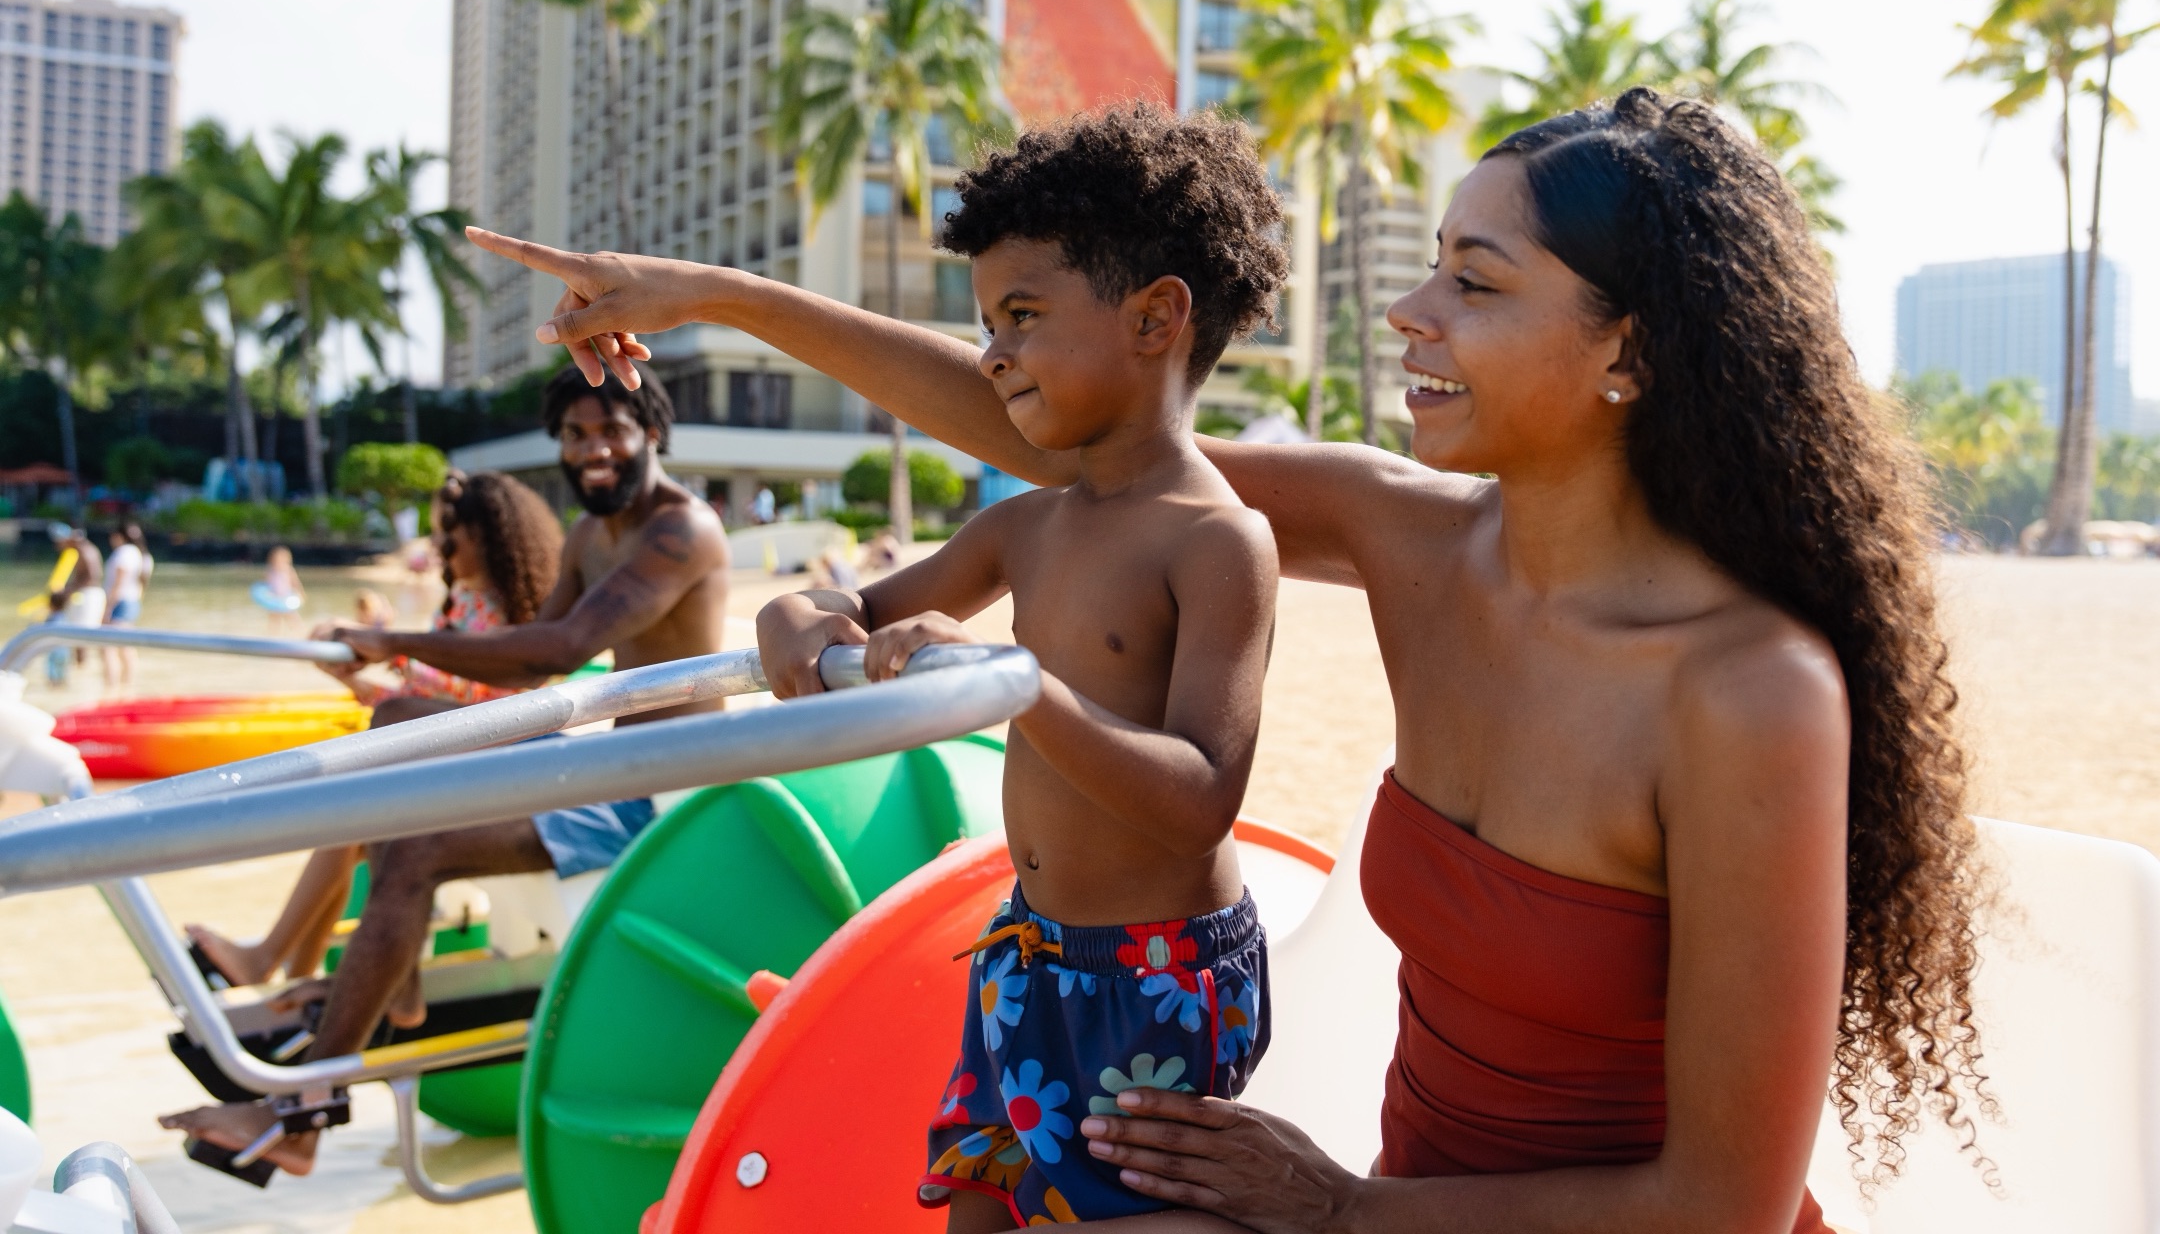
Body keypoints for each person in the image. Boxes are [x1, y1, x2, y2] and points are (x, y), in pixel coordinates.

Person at [469, 87, 1992, 1230]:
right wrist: (709, 298)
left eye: (1475, 281)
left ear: (1630, 355)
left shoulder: (1749, 692)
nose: (1410, 309)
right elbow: (1067, 424)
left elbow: (1713, 1208)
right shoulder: (1416, 538)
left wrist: (1336, 1209)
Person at [752, 104, 1282, 1229]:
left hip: (1156, 978)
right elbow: (856, 605)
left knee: (1125, 1215)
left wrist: (1022, 684)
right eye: (988, 322)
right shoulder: (1027, 528)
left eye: (1023, 317)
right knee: (979, 1211)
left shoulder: (1217, 540)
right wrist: (796, 613)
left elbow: (1201, 800)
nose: (992, 354)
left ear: (1156, 318)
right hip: (1027, 951)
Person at [161, 368, 732, 1178]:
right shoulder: (587, 535)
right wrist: (389, 683)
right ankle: (396, 963)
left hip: (664, 789)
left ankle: (302, 1118)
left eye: (612, 431)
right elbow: (526, 674)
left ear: (653, 432)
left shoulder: (684, 530)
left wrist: (397, 641)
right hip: (606, 759)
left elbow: (560, 650)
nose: (593, 450)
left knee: (419, 848)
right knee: (393, 727)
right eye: (575, 436)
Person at [185, 470, 564, 1002]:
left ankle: (271, 961)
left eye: (449, 534)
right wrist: (364, 675)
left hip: (491, 765)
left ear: (488, 537)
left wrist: (390, 649)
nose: (439, 547)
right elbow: (441, 694)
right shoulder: (467, 601)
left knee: (347, 815)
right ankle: (291, 972)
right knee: (345, 826)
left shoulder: (502, 609)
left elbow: (478, 691)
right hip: (460, 754)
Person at [43, 529, 104, 689]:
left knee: (81, 636)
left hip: (89, 596)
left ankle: (82, 671)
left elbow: (92, 577)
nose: (59, 546)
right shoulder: (79, 551)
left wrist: (67, 590)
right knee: (76, 636)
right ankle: (79, 671)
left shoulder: (85, 551)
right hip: (86, 595)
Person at [100, 523, 154, 687]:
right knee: (125, 646)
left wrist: (107, 608)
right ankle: (127, 686)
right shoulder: (143, 555)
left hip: (120, 602)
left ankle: (111, 687)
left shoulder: (124, 553)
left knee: (108, 646)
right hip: (132, 601)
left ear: (119, 536)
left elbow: (118, 582)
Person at [256, 546, 305, 634]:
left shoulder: (288, 570)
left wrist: (300, 593)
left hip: (286, 597)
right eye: (277, 559)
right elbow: (265, 585)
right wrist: (266, 595)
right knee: (274, 618)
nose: (279, 561)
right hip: (275, 598)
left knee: (291, 616)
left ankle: (298, 632)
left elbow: (296, 583)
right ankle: (273, 634)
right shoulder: (270, 571)